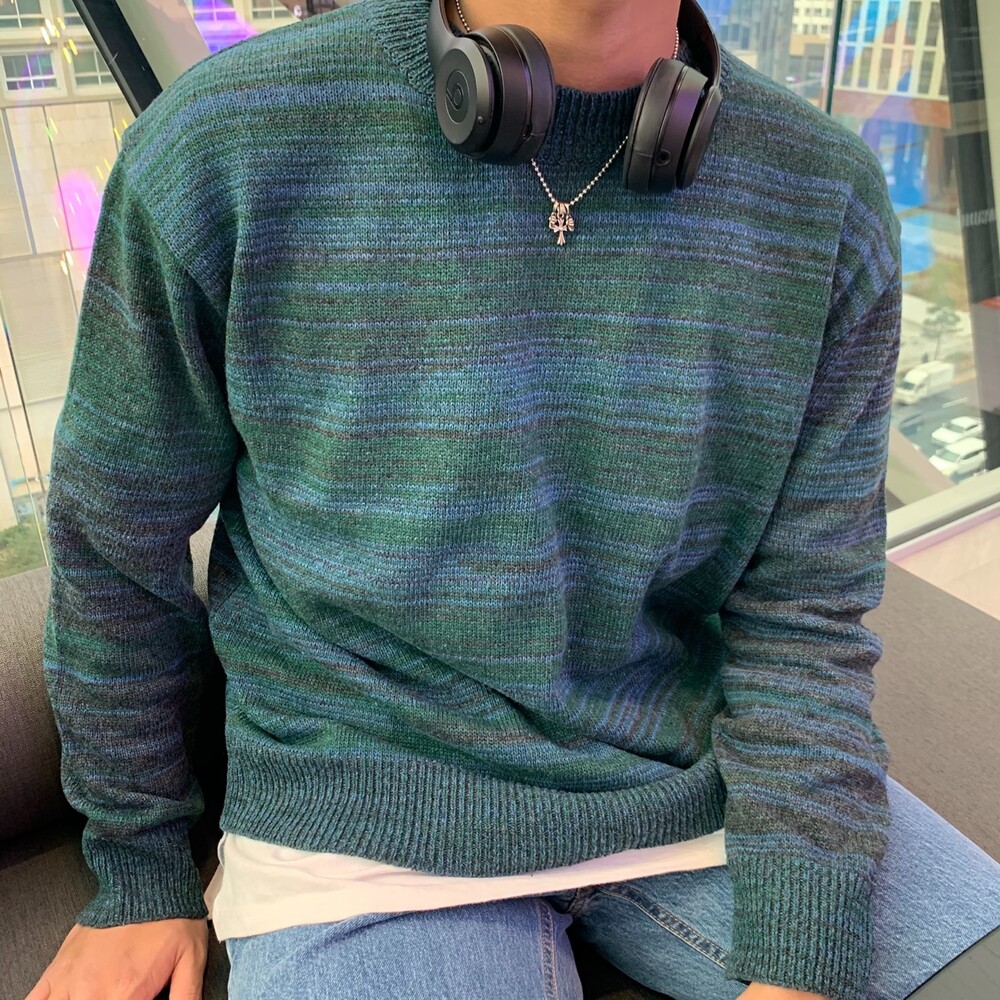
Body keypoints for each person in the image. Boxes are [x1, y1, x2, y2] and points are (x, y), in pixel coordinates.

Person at [27, 1, 1000, 999]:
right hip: (363, 820)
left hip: (701, 787)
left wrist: (808, 960)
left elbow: (804, 614)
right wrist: (142, 868)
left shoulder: (825, 195)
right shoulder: (223, 143)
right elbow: (114, 541)